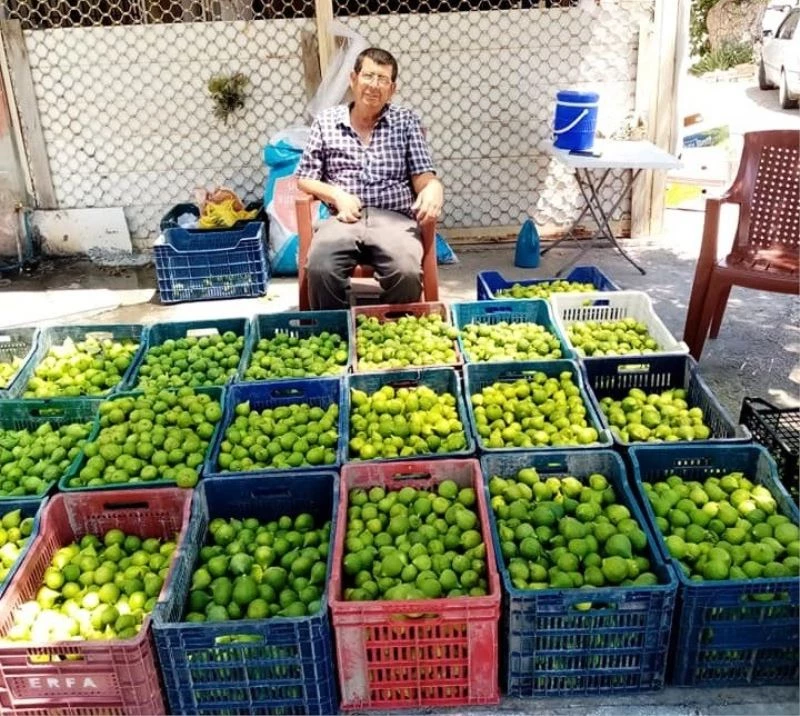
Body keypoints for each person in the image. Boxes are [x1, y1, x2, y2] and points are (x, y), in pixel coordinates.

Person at [296, 47, 443, 310]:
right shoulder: (326, 121)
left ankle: (395, 333)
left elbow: (423, 175)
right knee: (320, 268)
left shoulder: (405, 121)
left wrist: (433, 187)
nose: (374, 86)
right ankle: (336, 334)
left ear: (392, 89)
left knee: (406, 270)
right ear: (353, 79)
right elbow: (305, 179)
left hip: (394, 219)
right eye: (368, 76)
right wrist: (337, 196)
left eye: (383, 79)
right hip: (343, 219)